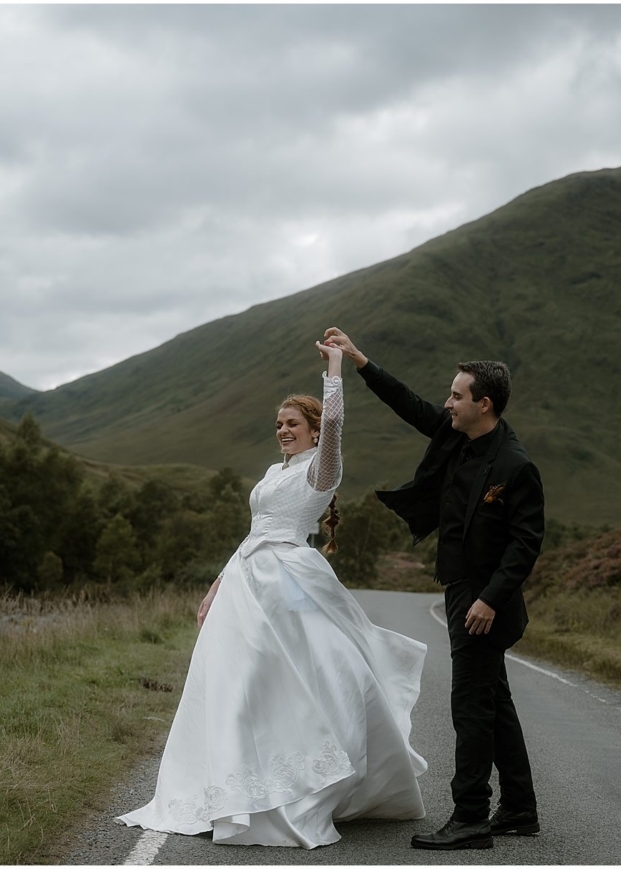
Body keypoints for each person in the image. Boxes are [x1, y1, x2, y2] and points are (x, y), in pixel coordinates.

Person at [116, 340, 428, 849]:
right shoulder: (272, 473)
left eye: (292, 423)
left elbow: (334, 427)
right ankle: (237, 777)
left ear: (310, 429)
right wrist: (217, 585)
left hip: (288, 578)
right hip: (245, 578)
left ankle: (300, 782)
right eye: (279, 424)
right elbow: (253, 531)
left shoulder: (320, 470)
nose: (283, 430)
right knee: (238, 680)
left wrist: (333, 368)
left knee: (287, 672)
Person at [323, 327, 544, 851]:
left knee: (470, 705)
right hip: (461, 588)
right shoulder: (454, 435)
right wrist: (359, 361)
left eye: (457, 395)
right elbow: (409, 404)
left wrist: (490, 599)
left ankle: (470, 816)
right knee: (495, 701)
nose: (447, 402)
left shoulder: (515, 465)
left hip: (485, 600)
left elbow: (525, 543)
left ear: (483, 404)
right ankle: (519, 808)